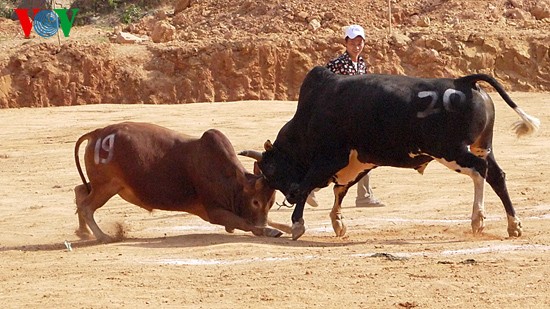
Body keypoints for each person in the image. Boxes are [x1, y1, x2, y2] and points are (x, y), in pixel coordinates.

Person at [306, 24, 385, 208]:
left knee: (366, 156)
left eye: (360, 42)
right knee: (339, 159)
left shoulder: (362, 64)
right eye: (353, 42)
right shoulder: (336, 64)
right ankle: (311, 188)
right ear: (346, 42)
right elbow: (326, 90)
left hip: (358, 119)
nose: (356, 46)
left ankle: (364, 195)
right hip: (341, 121)